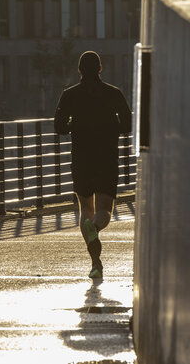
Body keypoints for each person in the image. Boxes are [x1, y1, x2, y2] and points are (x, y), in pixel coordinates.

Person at [54, 51, 132, 279]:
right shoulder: (113, 93)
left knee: (85, 210)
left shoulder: (69, 95)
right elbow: (127, 124)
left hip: (81, 158)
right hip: (106, 157)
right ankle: (95, 228)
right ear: (100, 68)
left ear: (79, 70)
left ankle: (95, 262)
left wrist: (74, 125)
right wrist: (109, 127)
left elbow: (58, 127)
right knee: (104, 209)